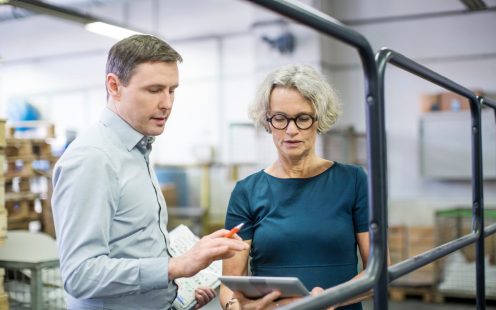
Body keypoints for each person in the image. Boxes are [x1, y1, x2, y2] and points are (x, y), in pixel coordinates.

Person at [52, 34, 248, 310]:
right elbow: (80, 274)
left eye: (172, 90)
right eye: (154, 90)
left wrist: (177, 290)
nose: (167, 103)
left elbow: (132, 244)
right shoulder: (93, 158)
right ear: (114, 86)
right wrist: (175, 267)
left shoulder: (135, 150)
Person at [220, 64, 371, 310]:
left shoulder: (353, 181)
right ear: (267, 122)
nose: (291, 130)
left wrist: (329, 301)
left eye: (302, 118)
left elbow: (378, 270)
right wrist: (235, 307)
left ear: (319, 120)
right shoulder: (247, 191)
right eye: (280, 118)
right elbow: (231, 284)